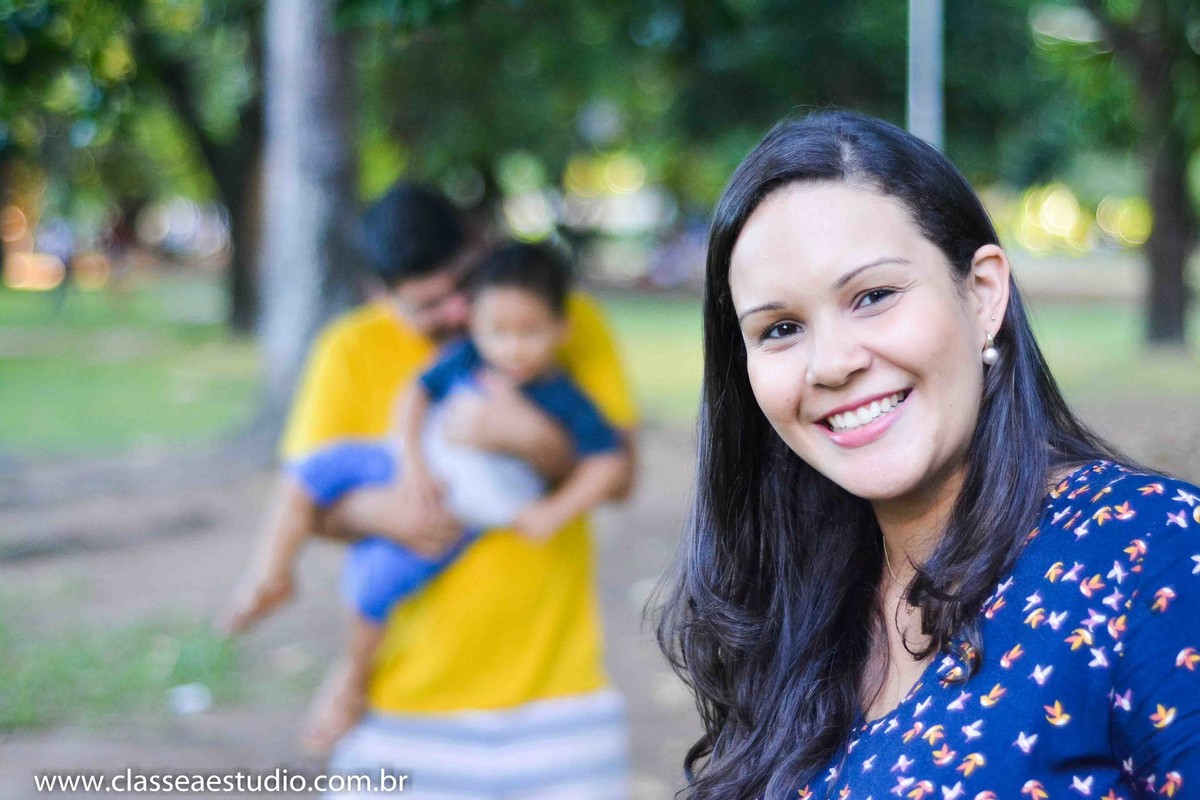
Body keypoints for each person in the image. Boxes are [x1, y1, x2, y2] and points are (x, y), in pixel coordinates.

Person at [655, 110, 1200, 798]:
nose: (832, 363)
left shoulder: (1154, 552)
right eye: (781, 328)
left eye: (874, 296)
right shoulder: (794, 607)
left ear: (982, 294)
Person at [229, 181, 637, 798]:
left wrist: (529, 438)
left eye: (460, 291)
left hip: (558, 690)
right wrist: (389, 512)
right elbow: (315, 499)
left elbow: (620, 474)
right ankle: (337, 663)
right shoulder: (349, 349)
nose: (455, 316)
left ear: (477, 252)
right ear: (379, 293)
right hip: (403, 703)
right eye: (427, 305)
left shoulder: (546, 317)